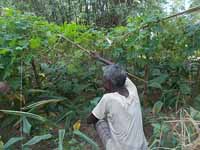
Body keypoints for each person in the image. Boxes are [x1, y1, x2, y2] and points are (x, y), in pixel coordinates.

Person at [87, 63, 148, 150]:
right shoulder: (133, 89)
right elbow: (119, 71)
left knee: (98, 121)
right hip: (141, 147)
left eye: (103, 80)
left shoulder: (108, 98)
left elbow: (90, 120)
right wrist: (99, 58)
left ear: (108, 83)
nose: (102, 82)